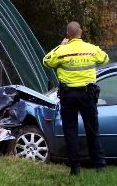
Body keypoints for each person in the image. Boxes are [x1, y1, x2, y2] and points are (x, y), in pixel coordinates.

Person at [43, 22, 109, 176]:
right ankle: (99, 165)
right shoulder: (91, 49)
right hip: (88, 95)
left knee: (70, 130)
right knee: (92, 129)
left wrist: (61, 46)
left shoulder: (63, 50)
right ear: (81, 32)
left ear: (68, 34)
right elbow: (105, 59)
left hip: (69, 96)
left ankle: (75, 168)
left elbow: (46, 61)